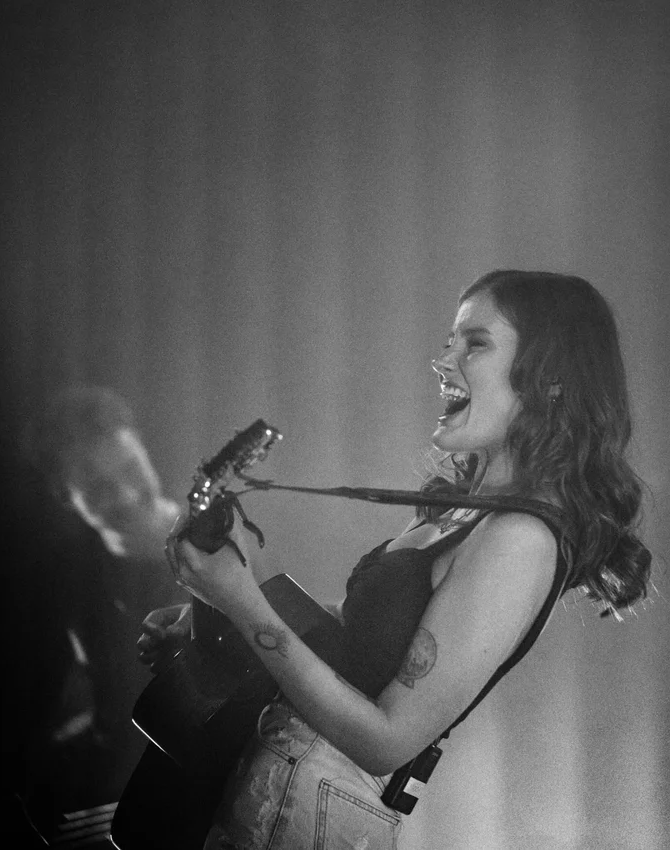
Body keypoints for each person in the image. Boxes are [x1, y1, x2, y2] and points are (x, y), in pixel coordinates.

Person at [143, 271, 652, 850]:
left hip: (315, 808)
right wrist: (225, 612)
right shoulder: (463, 507)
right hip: (279, 788)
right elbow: (360, 649)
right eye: (450, 342)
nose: (443, 362)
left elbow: (387, 740)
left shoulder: (522, 538)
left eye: (475, 344)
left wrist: (243, 604)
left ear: (552, 380)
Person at [1, 385, 184, 845]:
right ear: (67, 497)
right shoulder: (63, 581)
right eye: (99, 488)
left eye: (130, 469)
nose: (126, 495)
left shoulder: (235, 536)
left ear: (144, 448)